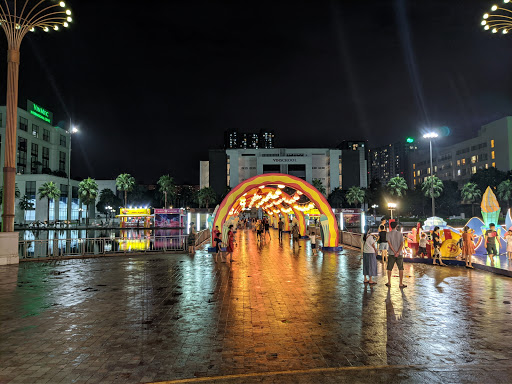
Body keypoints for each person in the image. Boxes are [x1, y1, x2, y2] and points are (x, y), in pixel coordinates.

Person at [386, 221, 407, 288]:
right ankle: (400, 283)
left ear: (390, 226)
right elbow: (402, 244)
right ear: (396, 226)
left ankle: (389, 282)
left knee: (389, 268)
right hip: (399, 254)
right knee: (400, 268)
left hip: (391, 254)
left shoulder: (388, 234)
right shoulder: (400, 234)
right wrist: (398, 252)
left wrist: (394, 252)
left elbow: (389, 244)